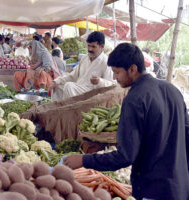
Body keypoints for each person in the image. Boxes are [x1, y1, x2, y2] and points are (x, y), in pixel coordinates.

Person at [64, 43, 189, 200]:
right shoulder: (172, 90)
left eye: (117, 72)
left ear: (132, 69)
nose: (114, 78)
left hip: (153, 189)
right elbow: (187, 136)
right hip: (180, 187)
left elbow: (125, 156)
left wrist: (84, 159)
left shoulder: (135, 99)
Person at [49, 31, 114, 101]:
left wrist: (99, 81)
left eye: (93, 46)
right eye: (89, 46)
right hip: (78, 89)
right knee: (57, 86)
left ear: (102, 46)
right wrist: (56, 81)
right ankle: (58, 109)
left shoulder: (106, 62)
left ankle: (69, 110)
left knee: (68, 86)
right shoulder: (85, 58)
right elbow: (72, 76)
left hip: (92, 94)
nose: (90, 49)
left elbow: (111, 84)